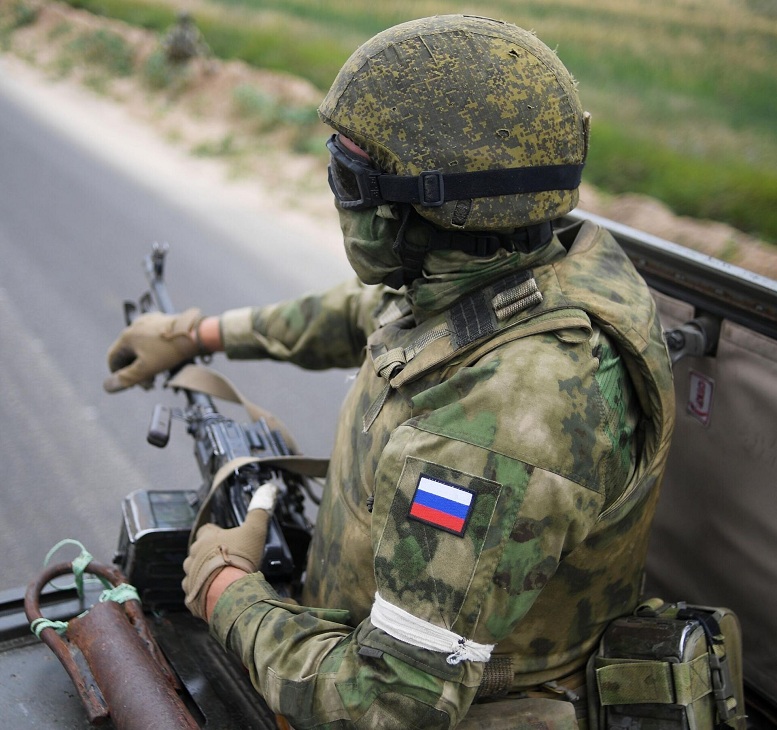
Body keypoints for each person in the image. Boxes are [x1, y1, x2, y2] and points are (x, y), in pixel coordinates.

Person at [104, 15, 675, 729]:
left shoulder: (493, 427)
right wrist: (202, 334)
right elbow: (377, 311)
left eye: (349, 173)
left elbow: (382, 705)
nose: (338, 191)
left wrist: (227, 590)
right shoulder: (535, 261)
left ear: (425, 208)